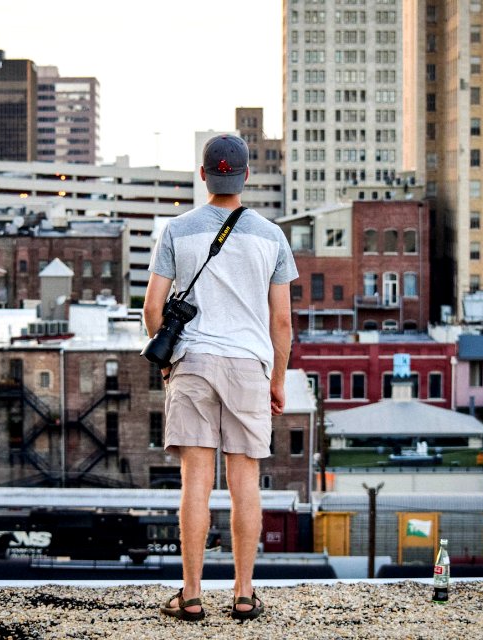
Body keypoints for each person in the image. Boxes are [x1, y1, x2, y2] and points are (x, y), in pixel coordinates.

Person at [144, 134, 297, 622]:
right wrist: (277, 379)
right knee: (244, 480)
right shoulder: (272, 236)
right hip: (250, 366)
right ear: (246, 175)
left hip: (192, 364)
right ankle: (244, 594)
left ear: (204, 174)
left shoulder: (176, 230)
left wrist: (170, 362)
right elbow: (282, 324)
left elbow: (152, 308)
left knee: (195, 482)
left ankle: (190, 597)